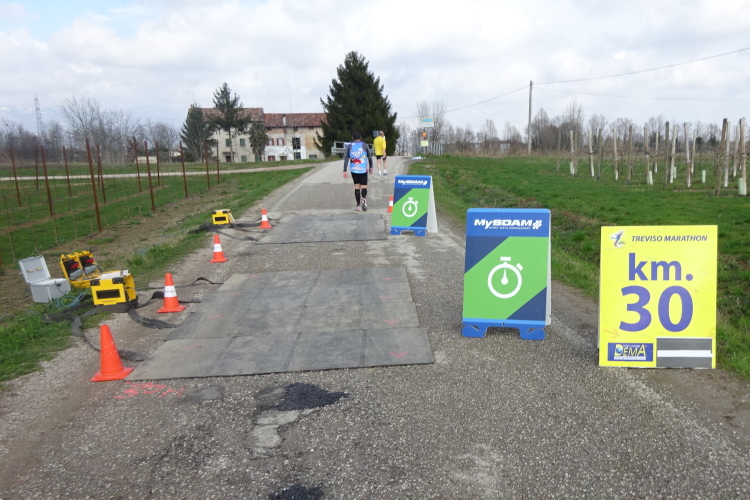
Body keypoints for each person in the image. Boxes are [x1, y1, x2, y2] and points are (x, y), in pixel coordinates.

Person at [342, 131, 373, 211]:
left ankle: (358, 205)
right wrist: (371, 167)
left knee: (357, 187)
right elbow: (369, 157)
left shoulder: (349, 146)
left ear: (353, 138)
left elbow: (346, 158)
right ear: (360, 137)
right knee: (364, 186)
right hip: (363, 169)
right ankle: (364, 198)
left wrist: (344, 170)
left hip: (354, 170)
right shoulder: (365, 145)